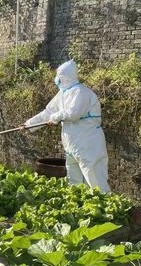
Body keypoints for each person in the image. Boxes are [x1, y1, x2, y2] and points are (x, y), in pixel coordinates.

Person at [23, 59, 110, 192]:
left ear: (65, 77)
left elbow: (73, 113)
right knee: (74, 181)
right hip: (72, 146)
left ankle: (105, 209)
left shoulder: (81, 92)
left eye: (59, 76)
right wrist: (29, 124)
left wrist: (56, 117)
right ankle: (81, 208)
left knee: (95, 181)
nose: (56, 79)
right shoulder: (62, 94)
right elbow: (48, 112)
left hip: (88, 145)